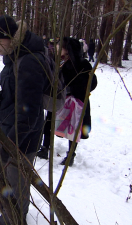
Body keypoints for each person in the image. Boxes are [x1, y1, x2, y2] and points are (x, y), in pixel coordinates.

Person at [0, 15, 48, 225]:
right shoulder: (15, 56)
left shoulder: (29, 61)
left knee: (18, 182)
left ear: (11, 38)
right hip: (8, 130)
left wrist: (12, 142)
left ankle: (14, 219)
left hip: (22, 137)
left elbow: (29, 111)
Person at [58, 37, 96, 166]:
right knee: (69, 128)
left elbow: (92, 83)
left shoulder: (83, 64)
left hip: (78, 103)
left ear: (68, 50)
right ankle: (67, 153)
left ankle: (70, 155)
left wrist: (74, 90)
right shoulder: (63, 64)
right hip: (66, 102)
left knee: (75, 128)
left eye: (62, 47)